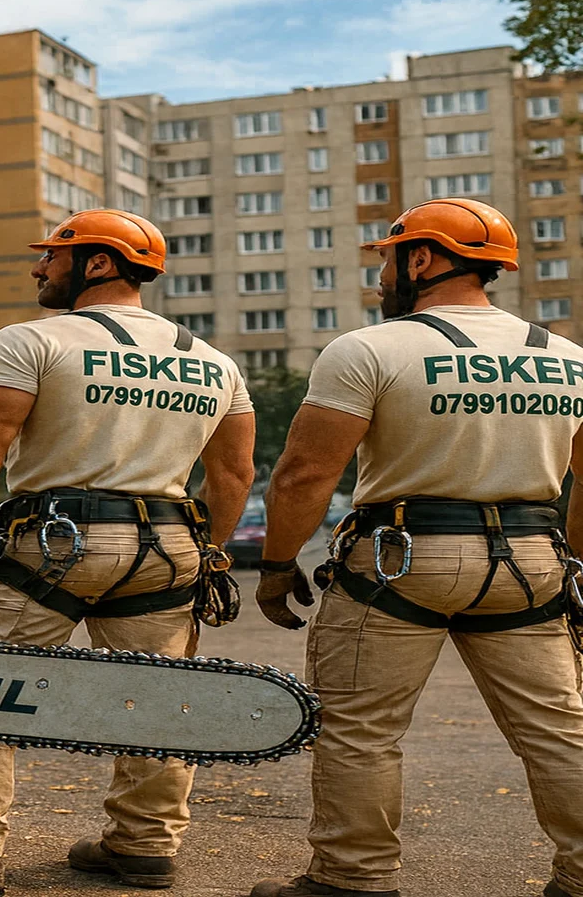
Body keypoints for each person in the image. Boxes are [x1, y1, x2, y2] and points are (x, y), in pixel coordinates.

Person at [0, 209, 257, 895]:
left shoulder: (32, 341)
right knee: (155, 699)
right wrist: (208, 553)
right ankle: (144, 845)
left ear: (99, 263)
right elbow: (234, 474)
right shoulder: (215, 364)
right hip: (168, 546)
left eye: (52, 257)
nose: (38, 268)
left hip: (53, 541)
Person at [250, 198, 583, 897]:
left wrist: (277, 566)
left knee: (361, 729)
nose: (381, 277)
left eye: (388, 261)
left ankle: (353, 876)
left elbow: (304, 473)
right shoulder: (568, 360)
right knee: (558, 729)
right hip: (530, 562)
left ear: (422, 259)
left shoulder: (371, 349)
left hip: (400, 560)